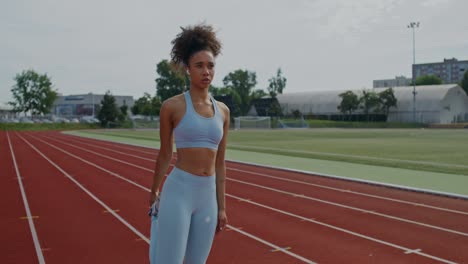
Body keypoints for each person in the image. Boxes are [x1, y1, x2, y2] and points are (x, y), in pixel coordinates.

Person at [148, 23, 229, 264]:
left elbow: (221, 164)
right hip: (179, 193)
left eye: (211, 65)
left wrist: (221, 207)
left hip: (208, 198)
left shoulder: (223, 111)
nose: (206, 72)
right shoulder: (172, 107)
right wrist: (154, 192)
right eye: (199, 66)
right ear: (187, 69)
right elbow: (164, 154)